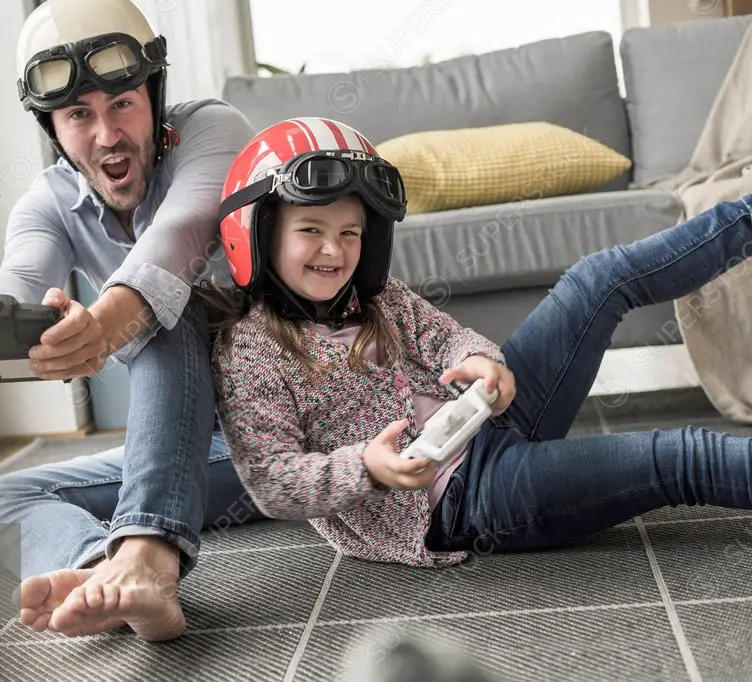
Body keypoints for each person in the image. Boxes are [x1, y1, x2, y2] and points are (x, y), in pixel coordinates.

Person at [201, 116, 752, 567]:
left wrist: (478, 358)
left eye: (350, 233)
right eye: (311, 230)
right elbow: (272, 481)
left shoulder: (375, 296)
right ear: (257, 231)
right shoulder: (250, 350)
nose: (335, 251)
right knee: (679, 456)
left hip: (487, 415)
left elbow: (442, 334)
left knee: (599, 278)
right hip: (462, 500)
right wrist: (365, 468)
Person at [0, 0, 263, 641]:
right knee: (1, 502)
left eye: (122, 104)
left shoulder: (214, 133)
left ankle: (149, 559)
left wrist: (105, 325)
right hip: (196, 451)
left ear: (154, 97)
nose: (107, 135)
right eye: (79, 114)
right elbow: (21, 279)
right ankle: (103, 575)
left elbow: (180, 237)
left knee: (169, 309)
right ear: (53, 127)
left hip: (280, 427)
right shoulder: (47, 201)